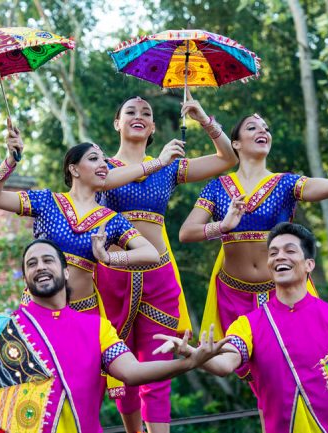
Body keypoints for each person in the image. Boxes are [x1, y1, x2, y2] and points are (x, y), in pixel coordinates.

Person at [96, 92, 238, 432]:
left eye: (146, 112)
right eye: (130, 111)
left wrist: (203, 119)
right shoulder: (101, 166)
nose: (138, 115)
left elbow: (227, 158)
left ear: (154, 127)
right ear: (117, 123)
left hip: (158, 273)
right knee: (120, 364)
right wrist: (156, 162)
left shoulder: (171, 166)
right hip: (113, 273)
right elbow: (101, 183)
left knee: (159, 362)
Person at [179, 113, 328, 342]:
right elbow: (186, 232)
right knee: (236, 358)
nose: (263, 131)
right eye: (252, 127)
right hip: (232, 294)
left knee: (294, 353)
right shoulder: (216, 187)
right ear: (236, 144)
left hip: (282, 291)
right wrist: (222, 226)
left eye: (266, 128)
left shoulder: (286, 183)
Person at [15, 238, 230, 433]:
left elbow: (132, 371)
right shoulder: (12, 330)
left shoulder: (96, 328)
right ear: (25, 280)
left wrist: (189, 363)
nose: (40, 266)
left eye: (47, 260)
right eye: (32, 264)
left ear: (66, 272)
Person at [157, 222, 328, 433]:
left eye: (290, 251)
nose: (279, 257)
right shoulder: (248, 324)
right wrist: (193, 354)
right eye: (273, 253)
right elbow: (225, 364)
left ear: (309, 265)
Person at [0, 121, 185, 312]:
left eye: (105, 161)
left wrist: (108, 257)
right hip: (38, 310)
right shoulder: (46, 201)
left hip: (85, 314)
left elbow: (151, 254)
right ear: (74, 169)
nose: (103, 165)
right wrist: (10, 161)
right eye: (94, 159)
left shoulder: (110, 220)